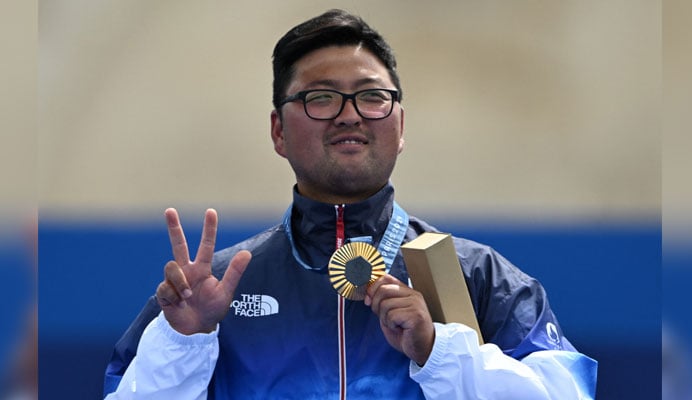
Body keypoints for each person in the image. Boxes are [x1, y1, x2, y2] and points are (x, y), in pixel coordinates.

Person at [103, 9, 597, 399]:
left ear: (400, 126)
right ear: (278, 131)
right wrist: (185, 342)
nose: (349, 116)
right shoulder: (215, 290)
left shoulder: (476, 276)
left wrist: (437, 350)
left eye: (371, 97)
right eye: (321, 98)